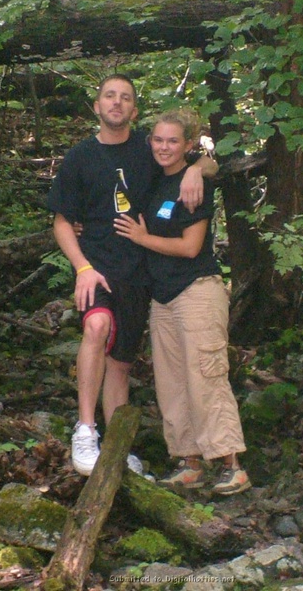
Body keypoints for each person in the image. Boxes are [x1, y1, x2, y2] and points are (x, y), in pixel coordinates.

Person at [47, 75, 217, 477]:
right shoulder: (80, 157)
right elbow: (61, 221)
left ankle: (116, 448)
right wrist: (82, 268)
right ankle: (85, 431)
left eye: (125, 98)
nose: (116, 103)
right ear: (96, 106)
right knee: (97, 327)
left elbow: (204, 158)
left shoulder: (149, 148)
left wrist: (197, 170)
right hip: (96, 268)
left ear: (134, 110)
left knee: (121, 363)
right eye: (109, 96)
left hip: (139, 274)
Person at [113, 109, 251, 496]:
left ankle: (231, 465)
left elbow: (191, 247)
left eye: (173, 141)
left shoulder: (193, 184)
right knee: (171, 382)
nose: (164, 147)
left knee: (206, 377)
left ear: (187, 144)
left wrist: (143, 238)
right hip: (163, 296)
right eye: (158, 140)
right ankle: (189, 462)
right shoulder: (156, 179)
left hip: (197, 290)